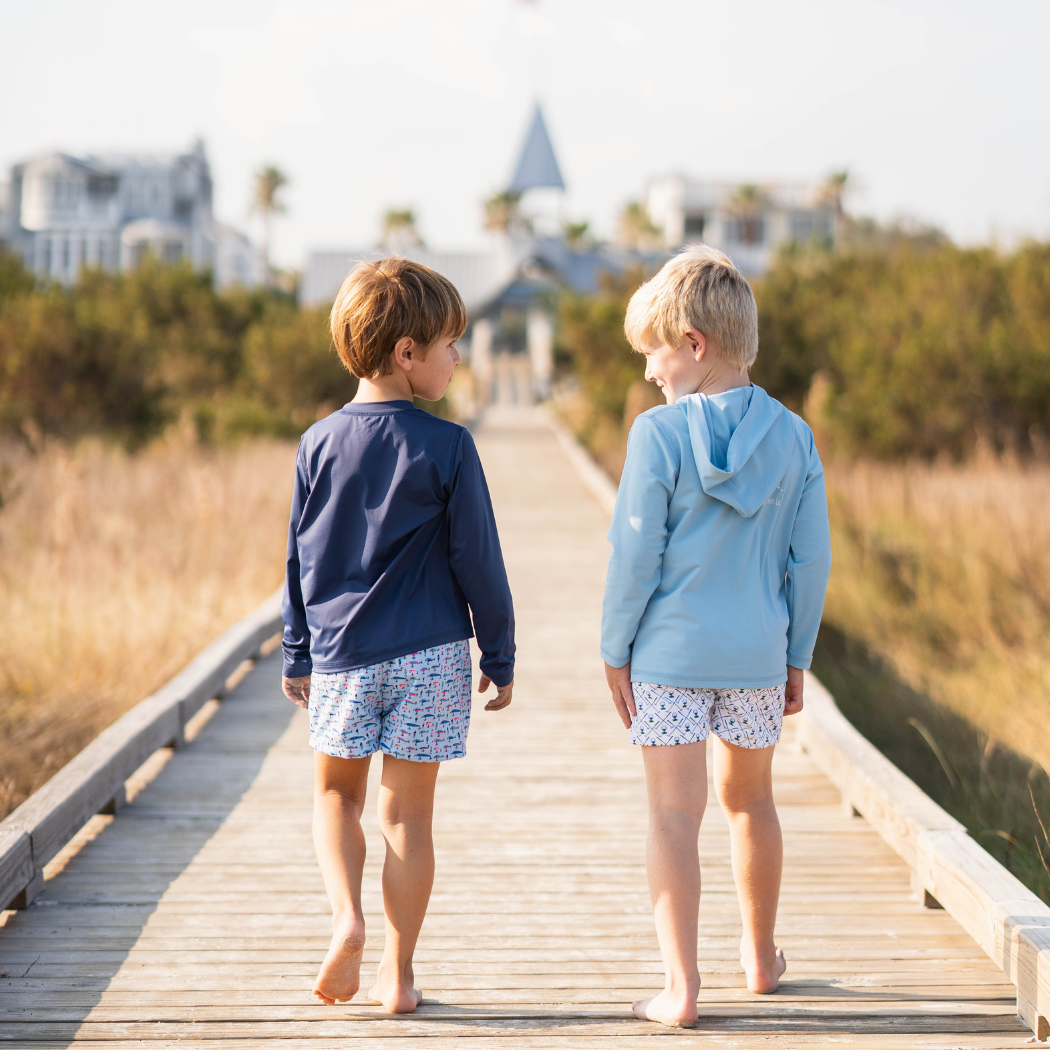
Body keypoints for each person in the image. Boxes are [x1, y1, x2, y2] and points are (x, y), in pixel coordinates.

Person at [601, 245, 832, 1028]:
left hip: (668, 659)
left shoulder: (656, 437)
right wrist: (796, 654)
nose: (648, 374)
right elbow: (812, 558)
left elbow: (636, 554)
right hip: (757, 658)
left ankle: (681, 987)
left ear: (693, 344)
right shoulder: (795, 436)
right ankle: (761, 957)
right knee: (752, 802)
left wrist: (614, 646)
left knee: (673, 814)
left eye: (652, 353)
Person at [281, 257, 515, 1013]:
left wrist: (297, 648)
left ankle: (345, 917)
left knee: (334, 798)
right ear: (407, 352)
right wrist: (500, 651)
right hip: (435, 655)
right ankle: (398, 975)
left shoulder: (317, 445)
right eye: (450, 344)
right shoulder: (449, 447)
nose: (458, 358)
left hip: (346, 655)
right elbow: (478, 558)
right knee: (408, 816)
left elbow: (300, 557)